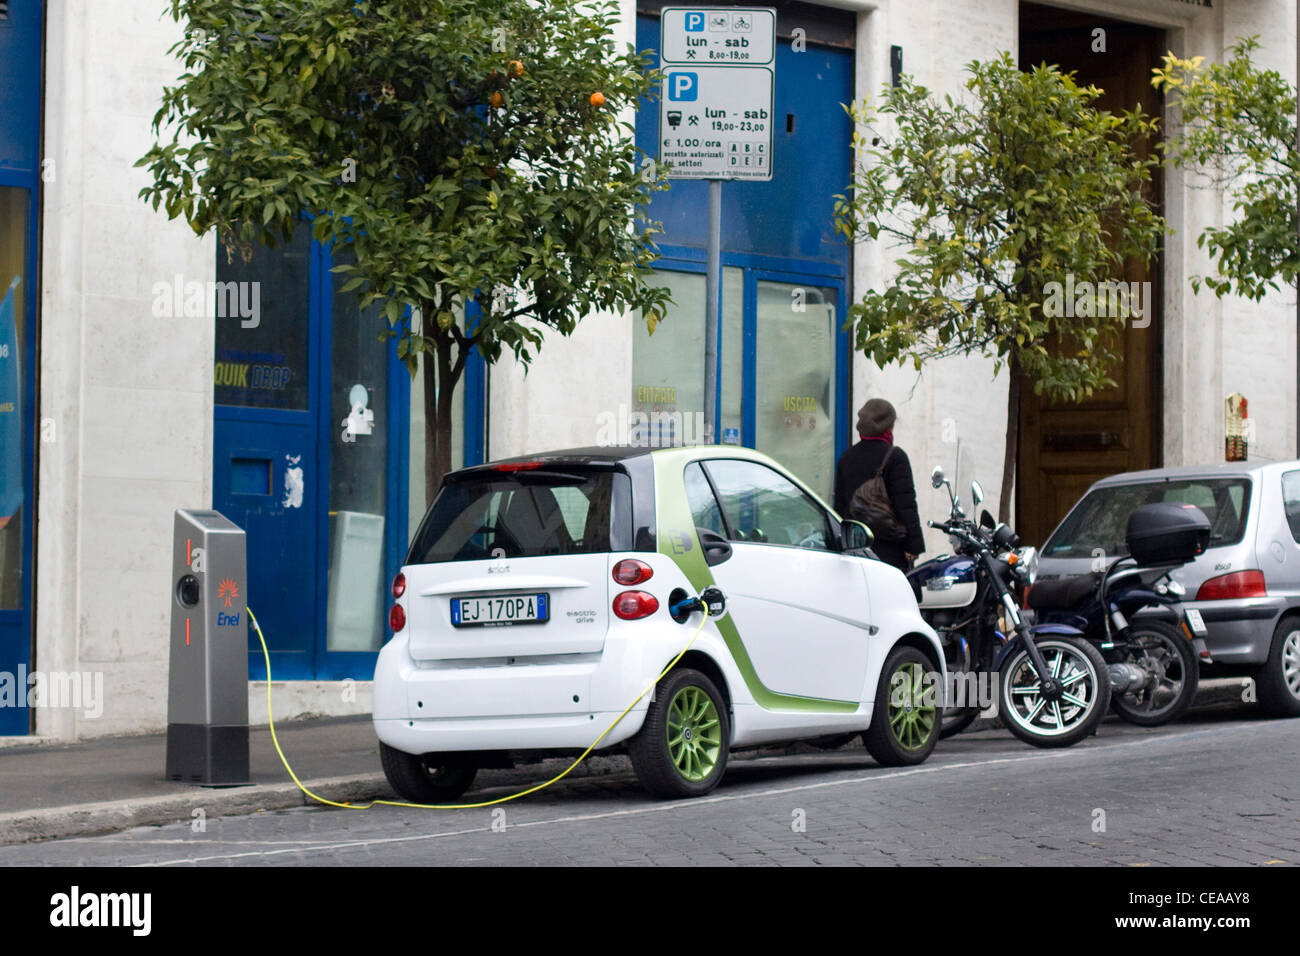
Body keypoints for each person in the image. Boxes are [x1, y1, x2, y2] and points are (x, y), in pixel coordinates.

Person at [833, 399, 925, 573]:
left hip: (856, 548)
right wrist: (914, 546)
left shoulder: (847, 457)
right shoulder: (895, 457)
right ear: (888, 427)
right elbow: (906, 504)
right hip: (889, 549)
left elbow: (840, 505)